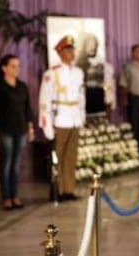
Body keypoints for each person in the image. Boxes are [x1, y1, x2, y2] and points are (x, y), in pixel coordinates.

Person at [39, 35, 86, 202]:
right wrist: (46, 125)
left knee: (71, 157)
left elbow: (81, 96)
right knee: (57, 157)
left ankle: (68, 189)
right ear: (60, 53)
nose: (71, 53)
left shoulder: (78, 72)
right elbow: (44, 100)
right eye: (68, 50)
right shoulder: (52, 74)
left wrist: (82, 117)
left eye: (72, 49)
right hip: (59, 119)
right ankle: (57, 190)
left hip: (74, 118)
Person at [0, 54, 34, 210]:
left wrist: (30, 127)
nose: (17, 69)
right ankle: (6, 196)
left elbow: (27, 109)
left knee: (16, 165)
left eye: (18, 66)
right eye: (13, 66)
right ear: (4, 68)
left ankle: (15, 195)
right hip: (4, 130)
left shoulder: (22, 86)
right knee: (6, 164)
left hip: (20, 129)